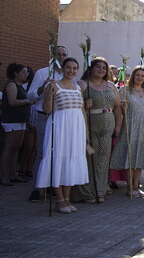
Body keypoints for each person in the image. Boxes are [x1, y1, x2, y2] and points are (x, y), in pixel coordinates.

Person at [36, 58, 89, 213]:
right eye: (68, 67)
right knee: (59, 159)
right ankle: (59, 200)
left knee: (71, 160)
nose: (71, 71)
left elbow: (82, 110)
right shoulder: (54, 85)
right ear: (62, 69)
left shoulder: (77, 87)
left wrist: (85, 131)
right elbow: (47, 109)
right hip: (60, 127)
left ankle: (67, 198)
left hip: (76, 128)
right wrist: (49, 91)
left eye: (74, 68)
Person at [71, 57, 122, 203]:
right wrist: (84, 105)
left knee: (104, 158)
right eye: (98, 67)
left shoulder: (111, 85)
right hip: (91, 122)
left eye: (104, 68)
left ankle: (100, 189)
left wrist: (118, 126)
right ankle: (86, 192)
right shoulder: (82, 84)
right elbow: (75, 106)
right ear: (91, 68)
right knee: (89, 157)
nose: (101, 70)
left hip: (109, 123)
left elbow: (117, 106)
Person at [26, 45, 68, 201]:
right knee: (43, 152)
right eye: (59, 54)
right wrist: (43, 87)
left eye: (64, 55)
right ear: (52, 56)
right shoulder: (42, 73)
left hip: (62, 118)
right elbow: (30, 96)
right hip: (45, 116)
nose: (61, 57)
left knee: (58, 153)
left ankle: (54, 185)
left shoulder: (68, 74)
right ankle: (38, 188)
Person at [109, 66, 144, 197]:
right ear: (134, 76)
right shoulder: (125, 90)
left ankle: (137, 185)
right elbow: (119, 109)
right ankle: (130, 187)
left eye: (142, 75)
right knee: (130, 156)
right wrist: (123, 108)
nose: (140, 78)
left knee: (140, 156)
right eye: (137, 75)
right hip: (131, 125)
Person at [1, 63, 33, 186]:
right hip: (12, 120)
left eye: (27, 72)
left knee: (16, 148)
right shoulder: (11, 85)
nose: (26, 74)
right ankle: (4, 177)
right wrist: (26, 101)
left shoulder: (20, 86)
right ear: (16, 73)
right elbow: (12, 102)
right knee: (9, 148)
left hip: (21, 121)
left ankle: (13, 174)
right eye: (23, 72)